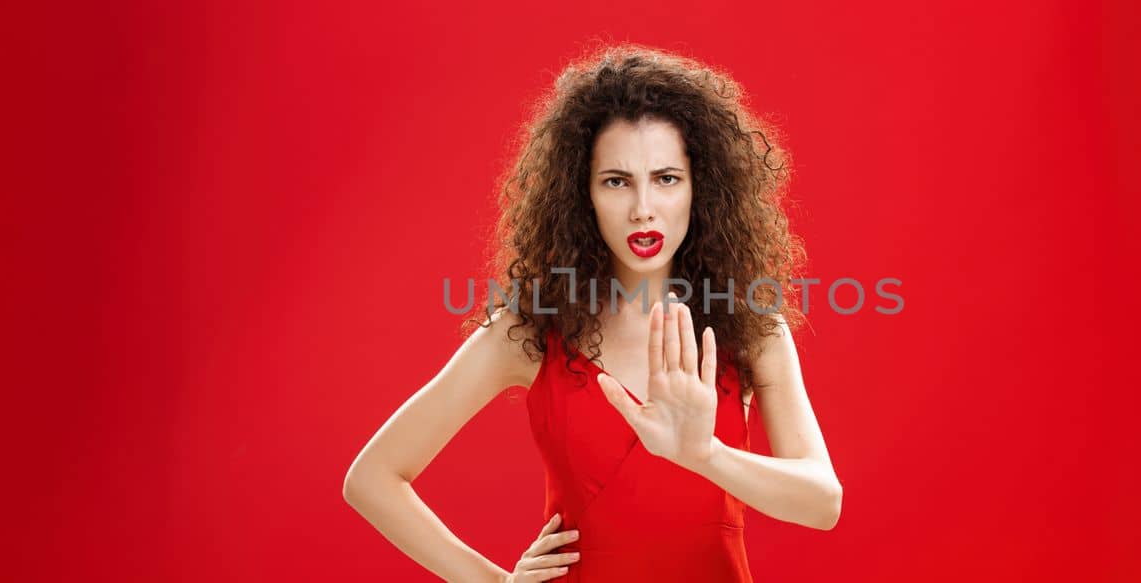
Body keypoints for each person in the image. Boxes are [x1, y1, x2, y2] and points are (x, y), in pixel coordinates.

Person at [342, 44, 841, 582]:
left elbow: (822, 503)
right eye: (616, 181)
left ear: (702, 190)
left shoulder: (752, 329)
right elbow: (371, 478)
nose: (643, 206)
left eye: (667, 178)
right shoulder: (529, 329)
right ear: (583, 196)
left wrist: (704, 454)